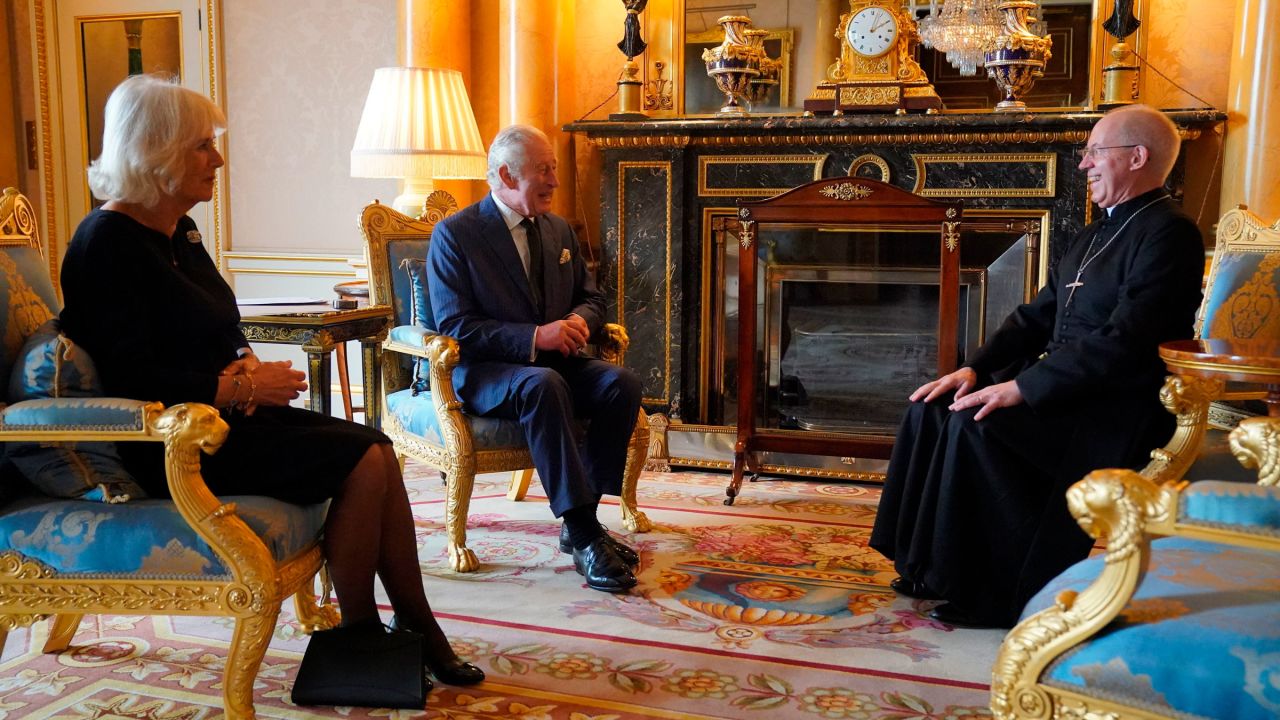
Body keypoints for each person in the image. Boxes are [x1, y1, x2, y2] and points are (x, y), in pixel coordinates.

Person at [58, 74, 484, 689]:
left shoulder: (177, 229)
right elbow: (127, 377)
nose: (218, 158)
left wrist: (246, 366)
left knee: (379, 450)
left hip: (226, 417)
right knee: (362, 460)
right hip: (173, 443)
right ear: (157, 151)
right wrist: (237, 389)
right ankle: (364, 634)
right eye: (203, 145)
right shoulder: (104, 244)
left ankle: (411, 625)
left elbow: (221, 321)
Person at [869, 104, 1205, 629]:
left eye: (1096, 151)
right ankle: (924, 566)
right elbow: (1036, 316)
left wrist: (1024, 389)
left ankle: (993, 594)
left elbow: (1128, 340)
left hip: (1116, 406)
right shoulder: (1095, 234)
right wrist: (976, 371)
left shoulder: (1170, 233)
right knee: (933, 406)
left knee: (976, 425)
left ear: (1137, 157)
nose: (1083, 164)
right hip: (1065, 388)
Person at [427, 124, 643, 593]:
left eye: (553, 170)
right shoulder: (456, 235)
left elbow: (593, 298)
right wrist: (534, 337)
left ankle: (580, 518)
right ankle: (587, 535)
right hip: (488, 372)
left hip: (556, 363)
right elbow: (455, 326)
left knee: (619, 384)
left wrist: (580, 322)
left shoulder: (558, 228)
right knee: (541, 383)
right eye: (544, 170)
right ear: (506, 174)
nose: (555, 181)